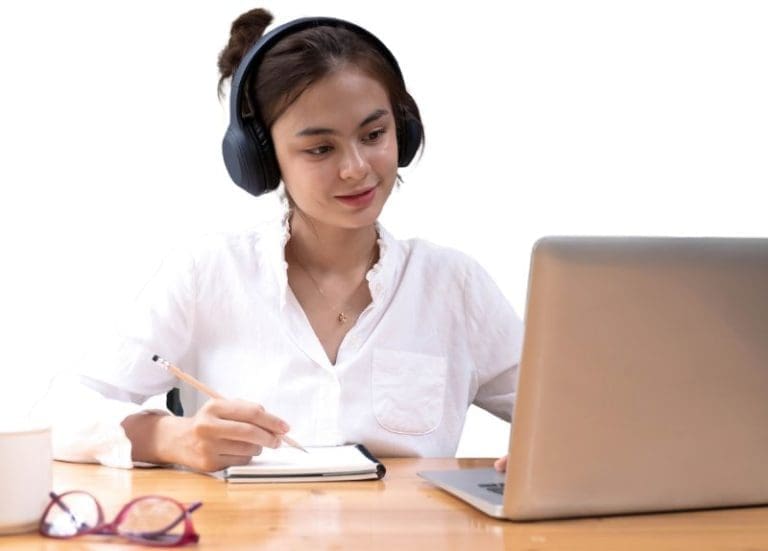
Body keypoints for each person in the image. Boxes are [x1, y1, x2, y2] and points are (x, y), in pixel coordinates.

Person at [47, 8, 523, 473]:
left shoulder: (453, 285)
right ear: (263, 159)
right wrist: (175, 438)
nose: (357, 167)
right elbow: (59, 415)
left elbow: (580, 415)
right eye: (320, 148)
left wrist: (551, 452)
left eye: (374, 134)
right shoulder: (210, 273)